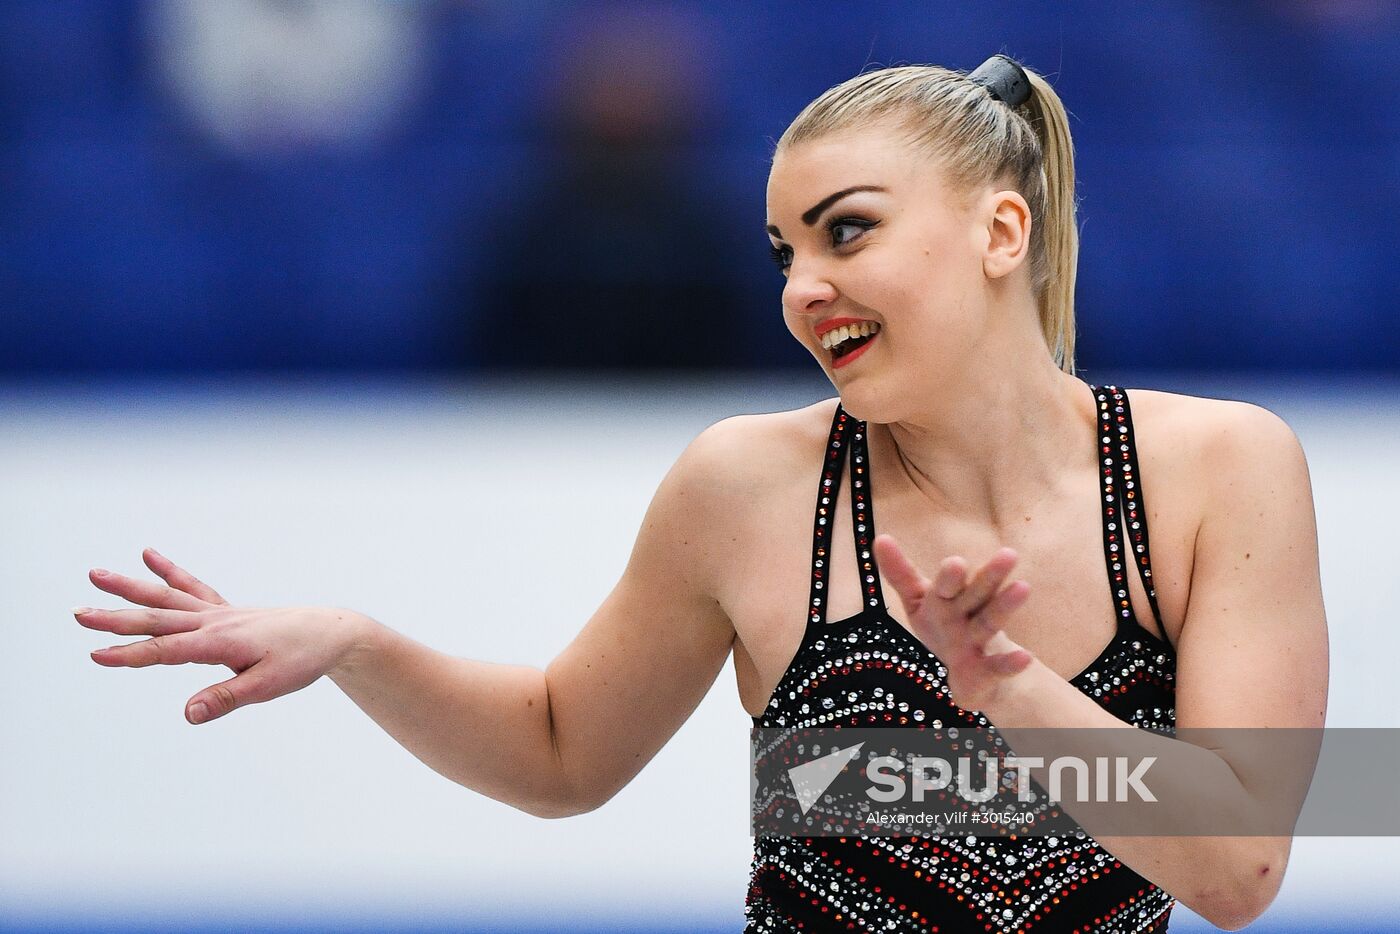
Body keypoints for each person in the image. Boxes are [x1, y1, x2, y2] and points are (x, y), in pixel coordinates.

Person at [76, 53, 1328, 933]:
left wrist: (1007, 687)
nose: (802, 288)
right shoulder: (745, 486)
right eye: (783, 252)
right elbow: (561, 751)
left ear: (1001, 233)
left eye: (845, 231)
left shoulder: (1218, 472)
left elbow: (1237, 867)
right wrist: (359, 646)